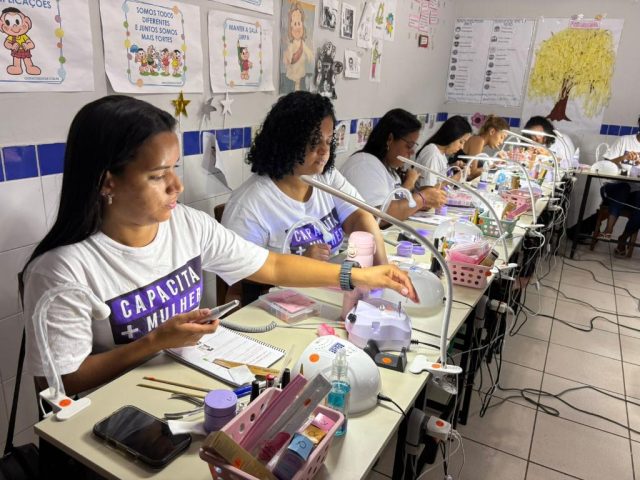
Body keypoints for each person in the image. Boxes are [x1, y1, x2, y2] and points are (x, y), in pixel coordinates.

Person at [21, 95, 417, 398]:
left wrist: (357, 275)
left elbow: (273, 267)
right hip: (118, 413)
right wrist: (154, 342)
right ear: (108, 182)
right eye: (158, 175)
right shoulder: (63, 270)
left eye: (175, 168)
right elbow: (62, 381)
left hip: (192, 381)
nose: (177, 186)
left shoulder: (186, 225)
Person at [223, 91, 386, 265]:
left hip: (333, 279)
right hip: (290, 283)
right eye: (314, 141)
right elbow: (242, 276)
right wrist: (300, 265)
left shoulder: (326, 177)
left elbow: (361, 218)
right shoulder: (248, 205)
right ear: (288, 142)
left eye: (328, 141)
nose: (324, 150)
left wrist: (383, 269)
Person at [340, 109, 447, 221]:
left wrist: (422, 203)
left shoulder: (388, 169)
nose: (412, 152)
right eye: (409, 146)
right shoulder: (364, 164)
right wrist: (422, 198)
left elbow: (396, 203)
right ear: (390, 139)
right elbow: (379, 215)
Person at [598, 115, 640, 255]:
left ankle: (623, 238)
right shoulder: (625, 140)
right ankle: (609, 229)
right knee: (624, 187)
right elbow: (605, 164)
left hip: (636, 193)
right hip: (613, 188)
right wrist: (623, 157)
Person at [415, 115, 472, 188]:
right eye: (461, 142)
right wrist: (454, 179)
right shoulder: (432, 154)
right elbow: (427, 191)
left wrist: (451, 167)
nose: (462, 147)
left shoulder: (441, 152)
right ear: (451, 136)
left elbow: (438, 175)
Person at [461, 115, 509, 179]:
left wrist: (495, 163)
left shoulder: (480, 142)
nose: (501, 142)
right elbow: (471, 174)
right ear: (492, 131)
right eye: (501, 137)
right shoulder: (479, 140)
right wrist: (493, 165)